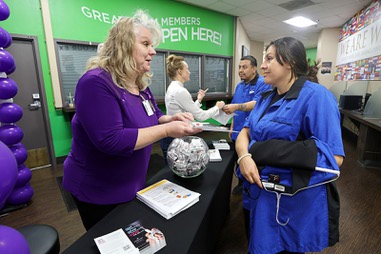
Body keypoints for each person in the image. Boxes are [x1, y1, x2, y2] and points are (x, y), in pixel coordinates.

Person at [62, 10, 201, 231]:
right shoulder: (95, 83)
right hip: (98, 189)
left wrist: (170, 119)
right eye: (145, 44)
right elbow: (111, 140)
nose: (153, 51)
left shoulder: (139, 85)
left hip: (130, 183)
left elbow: (154, 116)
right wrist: (167, 131)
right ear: (123, 46)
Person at [235, 37, 344, 253]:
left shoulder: (316, 97)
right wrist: (244, 157)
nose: (263, 66)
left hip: (288, 203)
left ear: (290, 62)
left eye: (269, 58)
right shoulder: (266, 97)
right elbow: (244, 133)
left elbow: (334, 159)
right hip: (257, 194)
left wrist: (261, 151)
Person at [160, 54, 225, 162]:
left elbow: (187, 111)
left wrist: (199, 100)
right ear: (180, 71)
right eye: (187, 69)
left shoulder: (174, 87)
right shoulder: (180, 91)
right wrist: (217, 107)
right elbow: (200, 116)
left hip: (172, 137)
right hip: (175, 138)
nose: (189, 72)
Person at [222, 55, 271, 196]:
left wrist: (236, 106)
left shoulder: (262, 83)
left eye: (245, 67)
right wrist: (231, 125)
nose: (241, 70)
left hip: (250, 131)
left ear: (254, 69)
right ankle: (241, 183)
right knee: (239, 158)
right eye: (239, 67)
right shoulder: (240, 85)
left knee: (250, 158)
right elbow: (234, 109)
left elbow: (257, 104)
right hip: (237, 130)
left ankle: (250, 186)